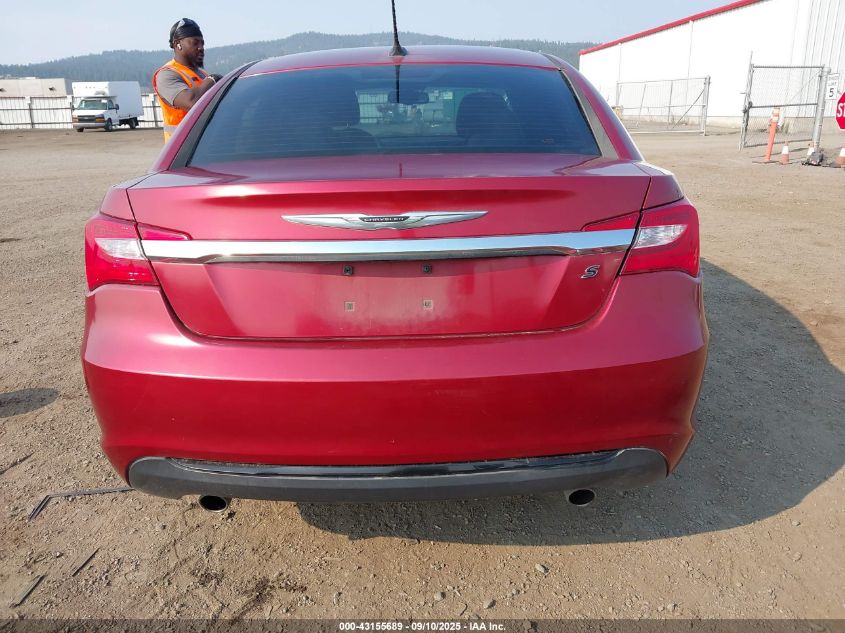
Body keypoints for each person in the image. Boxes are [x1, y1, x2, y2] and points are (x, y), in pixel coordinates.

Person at [152, 18, 222, 142]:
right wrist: (213, 79)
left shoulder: (202, 74)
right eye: (195, 43)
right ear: (178, 44)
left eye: (202, 43)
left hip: (205, 144)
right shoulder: (167, 75)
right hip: (184, 148)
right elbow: (192, 102)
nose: (201, 48)